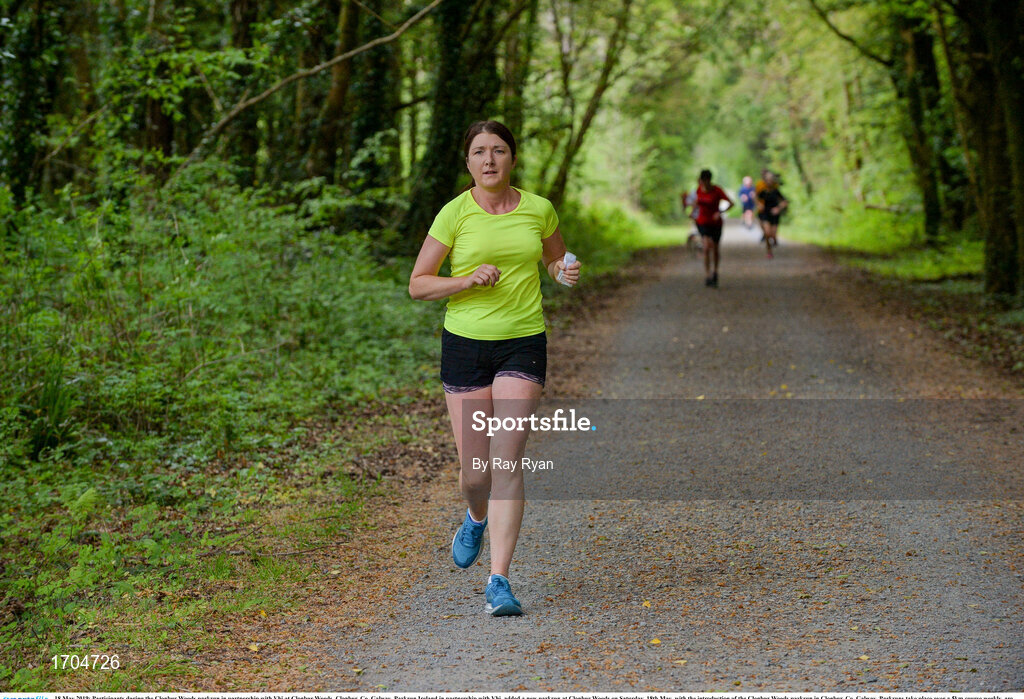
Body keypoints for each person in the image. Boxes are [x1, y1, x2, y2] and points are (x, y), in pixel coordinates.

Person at [409, 120, 580, 617]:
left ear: (512, 158)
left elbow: (553, 261)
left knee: (507, 461)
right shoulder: (453, 214)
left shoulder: (538, 210)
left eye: (499, 151)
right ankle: (474, 515)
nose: (489, 160)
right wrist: (464, 280)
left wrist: (563, 271)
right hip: (464, 345)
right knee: (476, 472)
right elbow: (419, 284)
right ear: (467, 162)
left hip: (522, 344)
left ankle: (499, 580)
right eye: (480, 152)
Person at [689, 169, 733, 287]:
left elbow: (731, 203)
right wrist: (692, 213)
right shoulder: (698, 190)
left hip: (716, 223)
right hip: (703, 222)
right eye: (702, 181)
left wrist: (720, 212)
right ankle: (707, 274)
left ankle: (715, 272)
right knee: (706, 247)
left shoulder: (717, 190)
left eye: (706, 181)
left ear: (709, 180)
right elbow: (696, 203)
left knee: (716, 249)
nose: (704, 184)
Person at [756, 171, 788, 258]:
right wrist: (760, 205)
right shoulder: (763, 191)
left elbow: (784, 201)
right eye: (768, 180)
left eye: (771, 180)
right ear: (765, 181)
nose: (769, 182)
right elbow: (756, 199)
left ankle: (773, 240)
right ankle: (769, 251)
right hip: (765, 213)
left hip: (774, 214)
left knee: (773, 235)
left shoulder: (775, 191)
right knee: (767, 233)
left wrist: (778, 208)